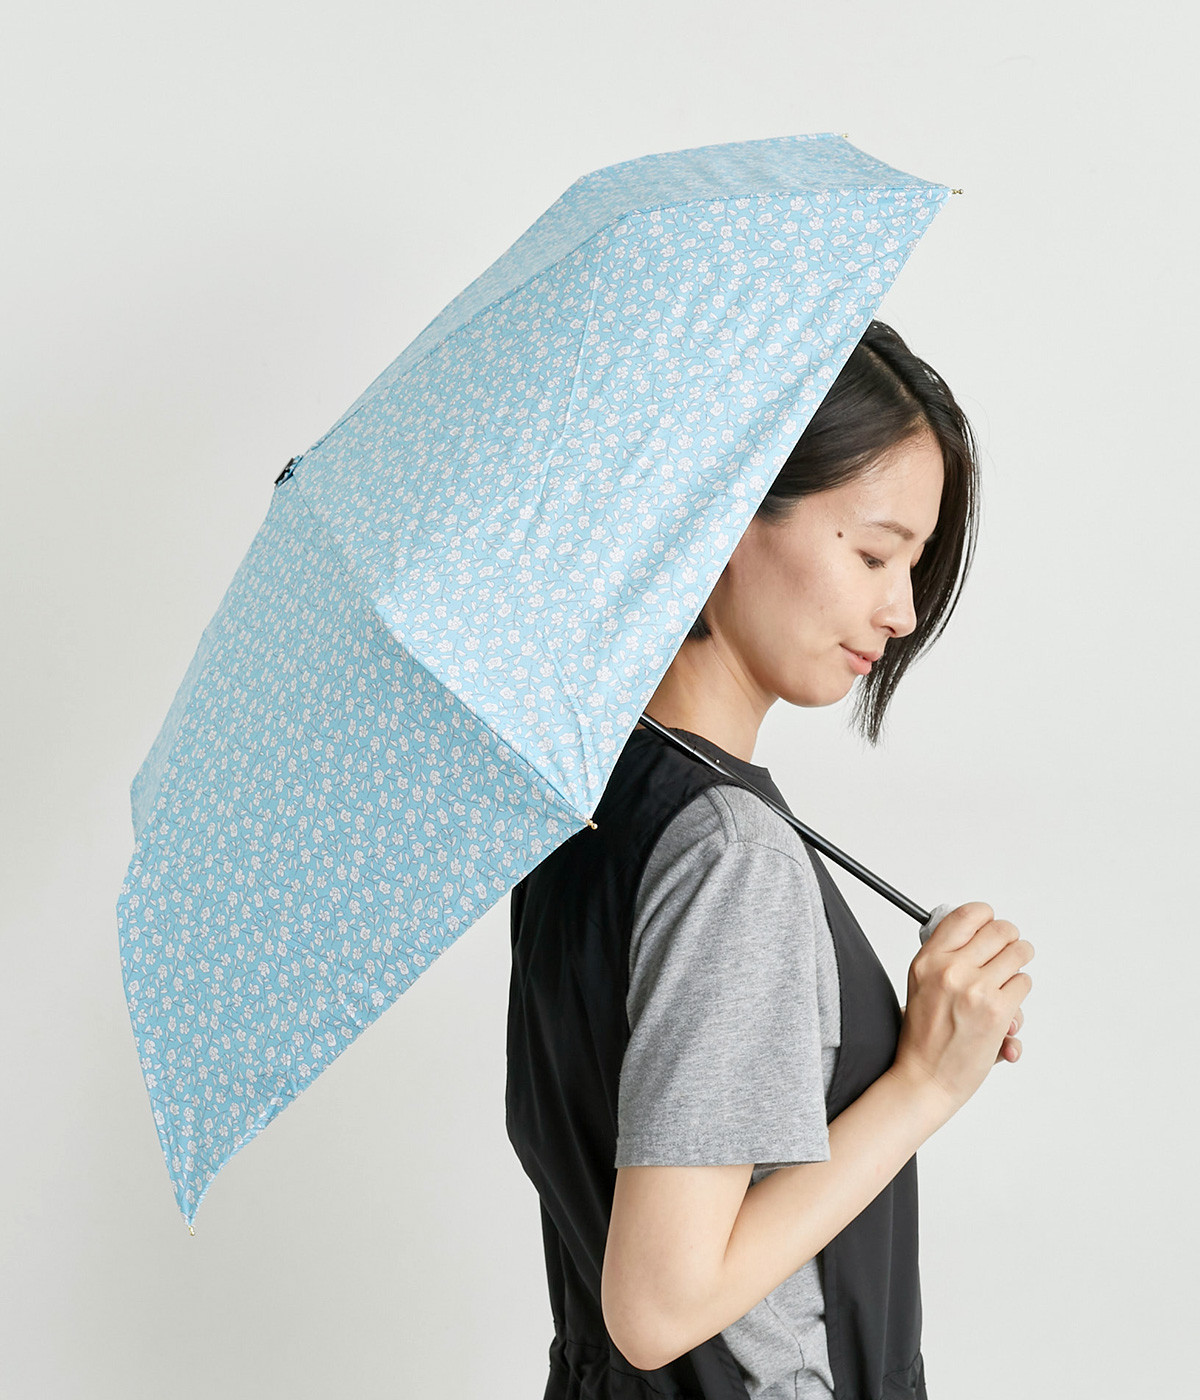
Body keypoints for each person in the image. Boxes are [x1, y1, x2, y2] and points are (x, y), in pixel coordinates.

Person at [505, 320, 1036, 1399]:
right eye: (875, 553)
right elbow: (658, 1305)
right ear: (729, 512)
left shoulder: (576, 804)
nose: (903, 609)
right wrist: (925, 1081)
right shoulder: (730, 851)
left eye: (915, 565)